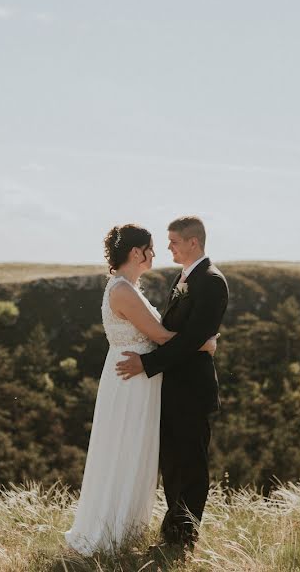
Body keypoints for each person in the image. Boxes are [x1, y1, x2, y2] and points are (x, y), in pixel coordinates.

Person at [64, 222, 220, 556]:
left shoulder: (129, 286)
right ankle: (111, 531)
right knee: (126, 449)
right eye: (151, 247)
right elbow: (161, 337)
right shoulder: (122, 289)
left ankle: (127, 527)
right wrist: (205, 344)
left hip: (140, 378)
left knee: (136, 451)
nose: (157, 252)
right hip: (131, 379)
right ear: (136, 252)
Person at [116, 216, 229, 553]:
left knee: (191, 467)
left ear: (193, 242)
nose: (168, 248)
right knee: (173, 465)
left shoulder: (211, 281)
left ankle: (183, 540)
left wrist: (146, 364)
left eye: (174, 242)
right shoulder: (183, 278)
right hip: (173, 388)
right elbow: (175, 335)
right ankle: (172, 532)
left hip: (192, 390)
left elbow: (192, 338)